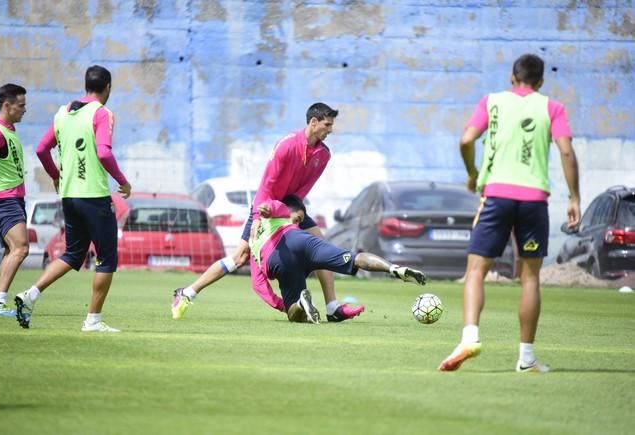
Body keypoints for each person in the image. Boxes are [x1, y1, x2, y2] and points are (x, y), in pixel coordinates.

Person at [438, 54, 580, 373]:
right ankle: (526, 358)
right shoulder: (552, 107)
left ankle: (470, 337)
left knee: (476, 270)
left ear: (511, 77)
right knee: (530, 277)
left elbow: (466, 140)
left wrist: (473, 172)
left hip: (496, 196)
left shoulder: (492, 102)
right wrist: (575, 198)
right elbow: (567, 151)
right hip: (533, 200)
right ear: (541, 82)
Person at [171, 103, 364, 321]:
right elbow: (267, 184)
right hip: (266, 206)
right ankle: (187, 293)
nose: (330, 130)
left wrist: (294, 212)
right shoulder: (286, 145)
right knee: (240, 257)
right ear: (313, 122)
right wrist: (259, 218)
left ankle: (332, 308)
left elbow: (303, 188)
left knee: (322, 246)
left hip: (290, 207)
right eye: (327, 125)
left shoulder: (324, 155)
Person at [14, 65, 132, 332]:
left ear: (86, 85)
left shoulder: (62, 113)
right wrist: (122, 181)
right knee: (106, 259)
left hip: (69, 197)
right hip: (94, 196)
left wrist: (56, 175)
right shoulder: (101, 113)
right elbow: (103, 153)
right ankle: (93, 320)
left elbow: (43, 149)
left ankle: (31, 294)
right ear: (108, 88)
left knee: (73, 253)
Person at [186, 195, 425, 322]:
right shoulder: (279, 212)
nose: (297, 221)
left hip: (277, 260)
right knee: (352, 258)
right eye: (297, 217)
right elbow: (273, 206)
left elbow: (258, 285)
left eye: (300, 220)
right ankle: (393, 268)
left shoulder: (255, 241)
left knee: (294, 311)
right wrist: (267, 209)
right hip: (300, 244)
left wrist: (282, 305)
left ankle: (301, 304)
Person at [0, 84, 29, 317]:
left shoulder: (8, 130)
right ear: (6, 105)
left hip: (13, 199)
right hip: (3, 199)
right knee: (21, 247)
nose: (24, 110)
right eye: (21, 105)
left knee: (11, 249)